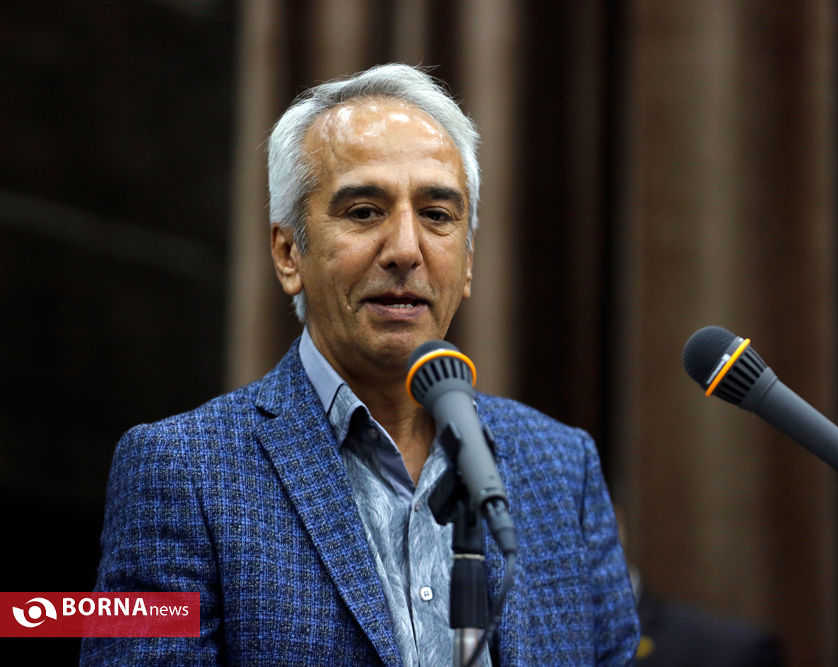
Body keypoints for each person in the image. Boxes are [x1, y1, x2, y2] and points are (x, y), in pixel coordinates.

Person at [81, 63, 639, 666]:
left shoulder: (563, 468)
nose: (405, 250)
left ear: (468, 262)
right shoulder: (182, 471)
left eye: (437, 215)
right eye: (365, 211)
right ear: (288, 253)